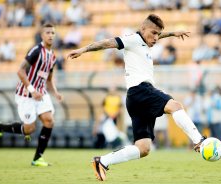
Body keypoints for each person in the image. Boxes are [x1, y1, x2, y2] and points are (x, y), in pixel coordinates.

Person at [67, 14, 206, 181]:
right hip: (141, 90)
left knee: (143, 147)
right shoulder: (132, 39)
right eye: (153, 33)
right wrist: (83, 50)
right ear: (142, 29)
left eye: (158, 34)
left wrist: (172, 33)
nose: (156, 38)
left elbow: (158, 34)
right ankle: (199, 141)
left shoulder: (146, 40)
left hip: (134, 98)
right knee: (175, 106)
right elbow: (105, 43)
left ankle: (102, 161)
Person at [0, 23, 63, 166]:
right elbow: (20, 71)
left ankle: (37, 158)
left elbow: (48, 78)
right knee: (29, 129)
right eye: (47, 32)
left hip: (41, 94)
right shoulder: (36, 50)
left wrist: (55, 92)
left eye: (53, 33)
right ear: (42, 35)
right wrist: (31, 90)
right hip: (26, 94)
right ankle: (0, 128)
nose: (50, 35)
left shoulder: (52, 56)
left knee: (49, 120)